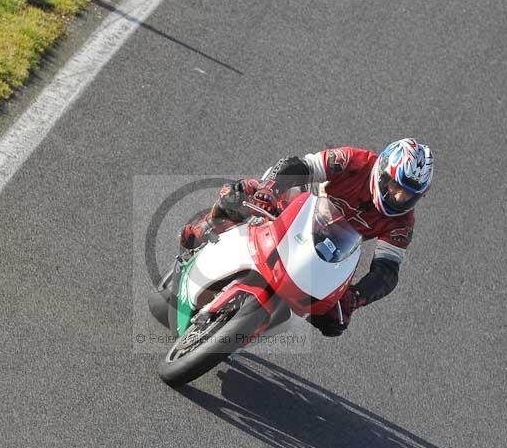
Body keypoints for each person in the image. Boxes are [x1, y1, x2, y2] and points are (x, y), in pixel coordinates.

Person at [180, 138, 434, 337]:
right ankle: (205, 230)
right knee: (243, 192)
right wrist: (270, 190)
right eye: (395, 186)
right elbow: (302, 165)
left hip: (330, 245)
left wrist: (355, 298)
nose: (399, 197)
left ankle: (249, 329)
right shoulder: (356, 161)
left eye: (408, 195)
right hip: (295, 203)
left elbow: (387, 273)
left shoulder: (403, 222)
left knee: (335, 323)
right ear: (383, 172)